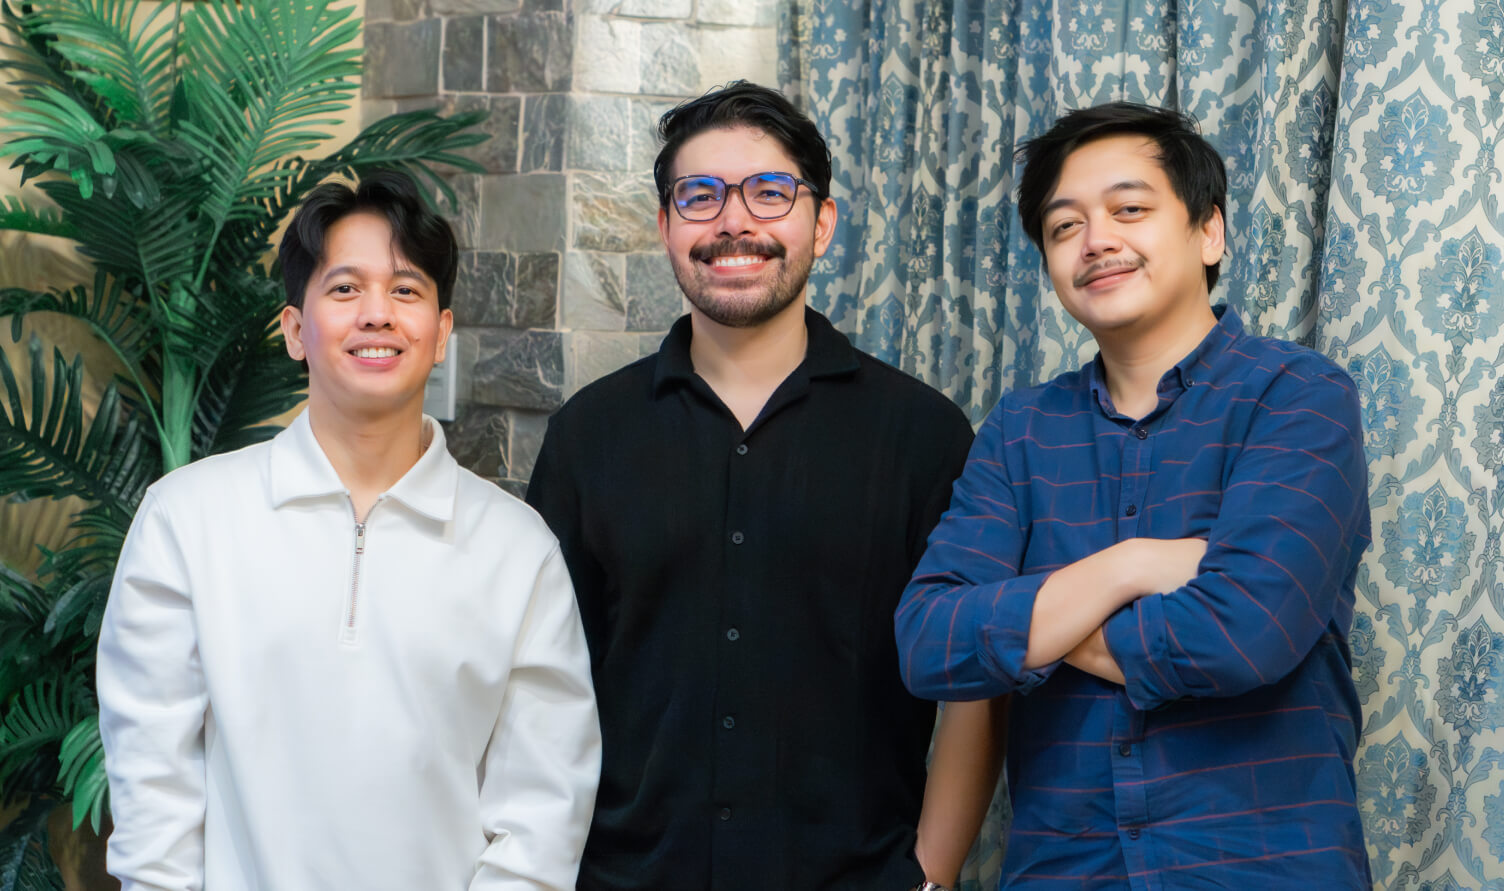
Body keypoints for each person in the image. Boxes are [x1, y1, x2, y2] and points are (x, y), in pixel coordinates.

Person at [526, 81, 1002, 891]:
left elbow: (973, 676)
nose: (734, 222)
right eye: (700, 196)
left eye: (770, 192)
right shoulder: (589, 434)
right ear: (665, 226)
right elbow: (543, 679)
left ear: (823, 222)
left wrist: (932, 876)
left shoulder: (923, 433)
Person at [895, 101, 1373, 888]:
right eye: (1064, 226)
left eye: (1129, 210)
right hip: (1063, 870)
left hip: (1263, 868)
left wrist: (1026, 624)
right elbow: (928, 640)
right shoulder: (1020, 429)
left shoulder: (1298, 396)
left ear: (1209, 232)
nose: (1095, 241)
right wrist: (1131, 565)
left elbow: (1240, 632)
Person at [96, 170, 601, 890]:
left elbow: (541, 817)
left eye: (406, 290)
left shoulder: (519, 552)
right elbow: (155, 798)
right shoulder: (186, 520)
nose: (377, 314)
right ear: (294, 331)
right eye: (344, 288)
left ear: (440, 334)